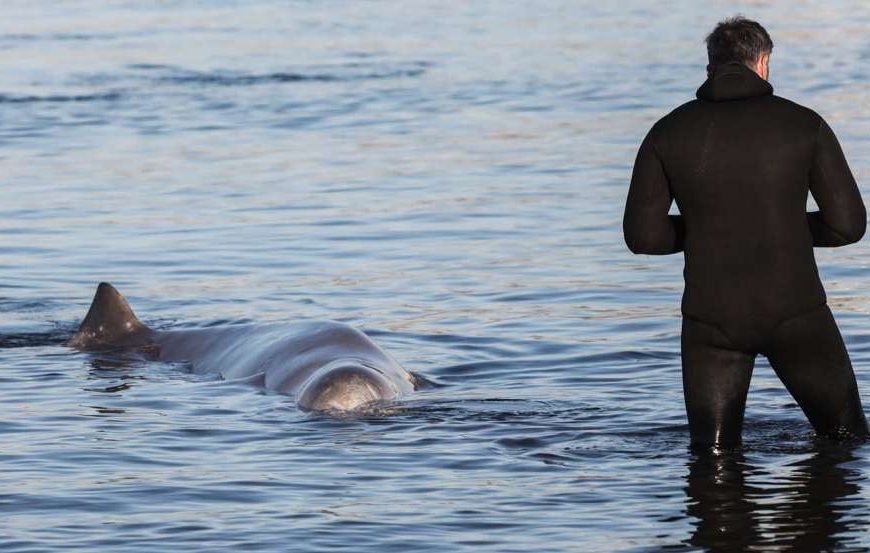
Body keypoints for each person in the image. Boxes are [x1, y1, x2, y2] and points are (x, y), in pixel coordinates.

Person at [623, 16, 868, 448]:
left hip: (710, 322)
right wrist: (781, 227)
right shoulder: (804, 124)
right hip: (796, 313)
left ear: (710, 66)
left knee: (713, 456)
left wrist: (709, 229)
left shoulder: (666, 132)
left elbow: (643, 237)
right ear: (764, 62)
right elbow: (847, 225)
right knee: (846, 441)